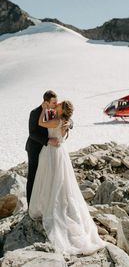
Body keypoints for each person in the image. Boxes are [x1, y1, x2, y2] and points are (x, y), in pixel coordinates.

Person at [29, 100, 105, 255]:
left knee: (53, 179)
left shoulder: (56, 119)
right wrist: (68, 123)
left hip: (52, 152)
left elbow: (42, 123)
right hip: (58, 151)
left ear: (62, 109)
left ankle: (50, 205)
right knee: (58, 180)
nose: (57, 104)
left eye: (59, 104)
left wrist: (45, 110)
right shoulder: (62, 120)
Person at [25, 90, 59, 206]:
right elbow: (32, 133)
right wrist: (48, 141)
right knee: (33, 175)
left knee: (44, 175)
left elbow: (59, 122)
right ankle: (30, 205)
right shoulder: (34, 112)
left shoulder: (51, 111)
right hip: (34, 148)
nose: (56, 104)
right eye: (54, 102)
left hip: (47, 149)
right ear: (46, 102)